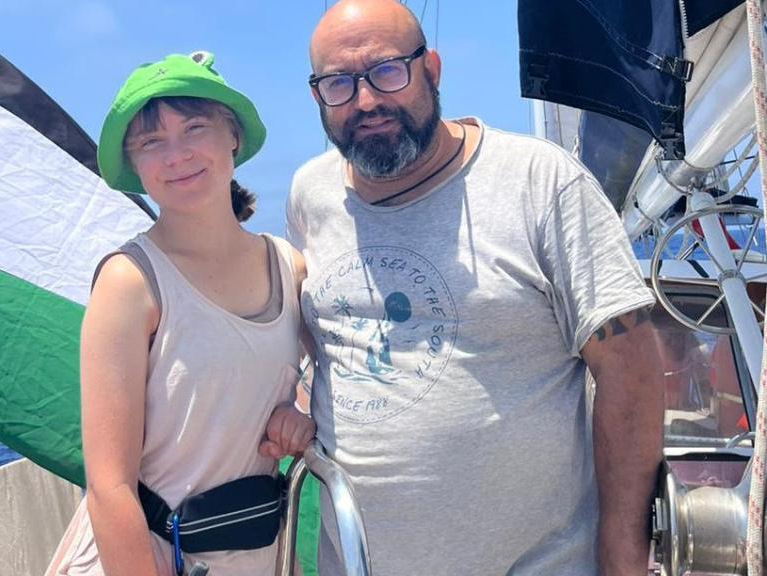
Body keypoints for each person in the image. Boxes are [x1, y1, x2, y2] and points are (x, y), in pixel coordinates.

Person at [283, 1, 664, 574]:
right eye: (339, 84)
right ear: (317, 97)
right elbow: (322, 335)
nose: (366, 101)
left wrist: (623, 545)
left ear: (431, 70)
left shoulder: (539, 181)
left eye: (388, 72)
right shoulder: (309, 195)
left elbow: (629, 368)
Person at [46, 51, 314, 576]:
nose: (176, 155)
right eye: (151, 142)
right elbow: (110, 486)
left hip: (256, 554)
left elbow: (336, 379)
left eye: (194, 128)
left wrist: (304, 413)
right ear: (137, 166)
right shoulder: (130, 281)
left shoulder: (291, 267)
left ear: (232, 135)